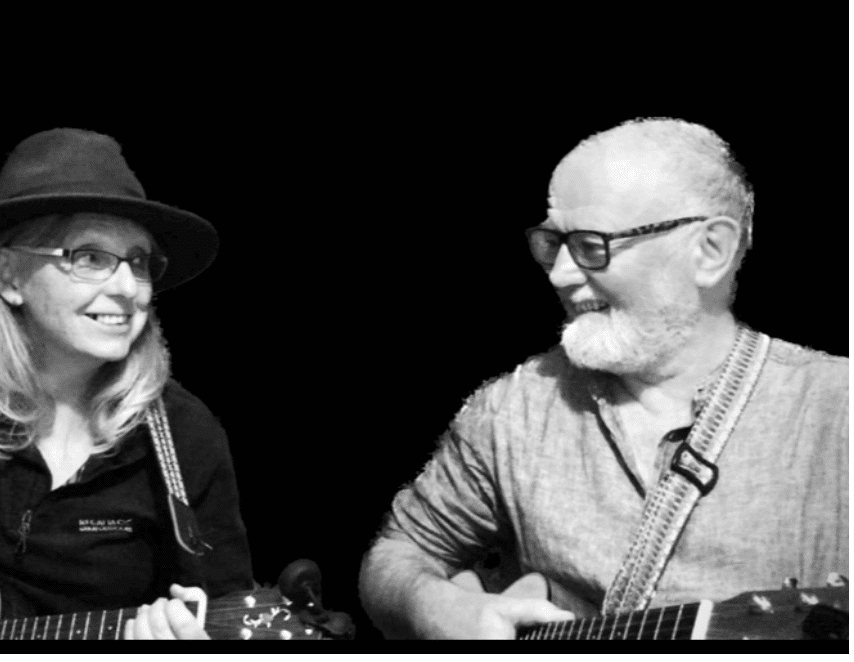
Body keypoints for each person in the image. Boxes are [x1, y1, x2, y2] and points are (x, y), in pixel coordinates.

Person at [358, 118, 848, 640]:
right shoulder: (514, 409)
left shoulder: (837, 414)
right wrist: (433, 607)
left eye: (592, 245)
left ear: (709, 251)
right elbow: (396, 553)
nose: (560, 274)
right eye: (554, 242)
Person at [0, 129, 253, 640]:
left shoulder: (185, 433)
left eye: (140, 262)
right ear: (11, 276)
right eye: (91, 258)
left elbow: (230, 611)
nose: (129, 288)